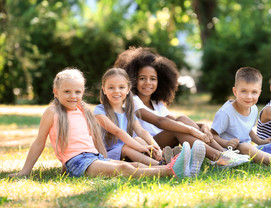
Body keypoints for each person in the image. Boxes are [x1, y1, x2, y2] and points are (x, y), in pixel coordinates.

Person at [8, 68, 205, 178]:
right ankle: (172, 171)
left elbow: (93, 138)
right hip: (77, 162)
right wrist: (25, 171)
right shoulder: (52, 112)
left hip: (92, 157)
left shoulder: (83, 110)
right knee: (124, 169)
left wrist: (103, 158)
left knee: (135, 163)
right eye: (67, 92)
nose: (73, 96)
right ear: (56, 92)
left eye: (77, 92)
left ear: (83, 92)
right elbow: (39, 142)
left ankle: (177, 166)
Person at [114, 47, 249, 169]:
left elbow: (175, 120)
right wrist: (192, 130)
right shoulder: (132, 100)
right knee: (177, 130)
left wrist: (202, 126)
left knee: (182, 119)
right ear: (132, 79)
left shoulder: (157, 103)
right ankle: (217, 157)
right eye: (142, 78)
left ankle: (225, 154)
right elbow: (159, 122)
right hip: (145, 148)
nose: (148, 83)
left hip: (162, 145)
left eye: (153, 78)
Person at [94, 67, 163, 166]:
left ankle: (162, 158)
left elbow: (141, 131)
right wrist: (140, 147)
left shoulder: (128, 111)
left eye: (121, 87)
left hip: (128, 150)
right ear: (104, 90)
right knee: (128, 147)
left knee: (138, 139)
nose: (116, 91)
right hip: (107, 155)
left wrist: (156, 147)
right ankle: (162, 166)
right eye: (111, 88)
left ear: (127, 90)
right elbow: (118, 132)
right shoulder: (99, 111)